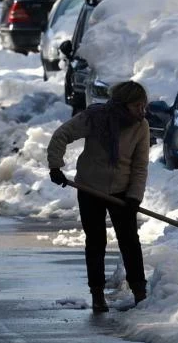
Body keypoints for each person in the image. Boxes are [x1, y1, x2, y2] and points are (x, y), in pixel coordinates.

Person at [47, 81, 150, 313]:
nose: (141, 111)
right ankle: (97, 294)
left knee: (130, 241)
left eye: (144, 105)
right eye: (136, 106)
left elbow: (140, 165)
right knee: (96, 242)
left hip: (122, 191)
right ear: (123, 105)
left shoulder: (140, 126)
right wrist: (55, 166)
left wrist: (134, 196)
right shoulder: (95, 118)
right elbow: (62, 135)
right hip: (90, 188)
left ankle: (140, 292)